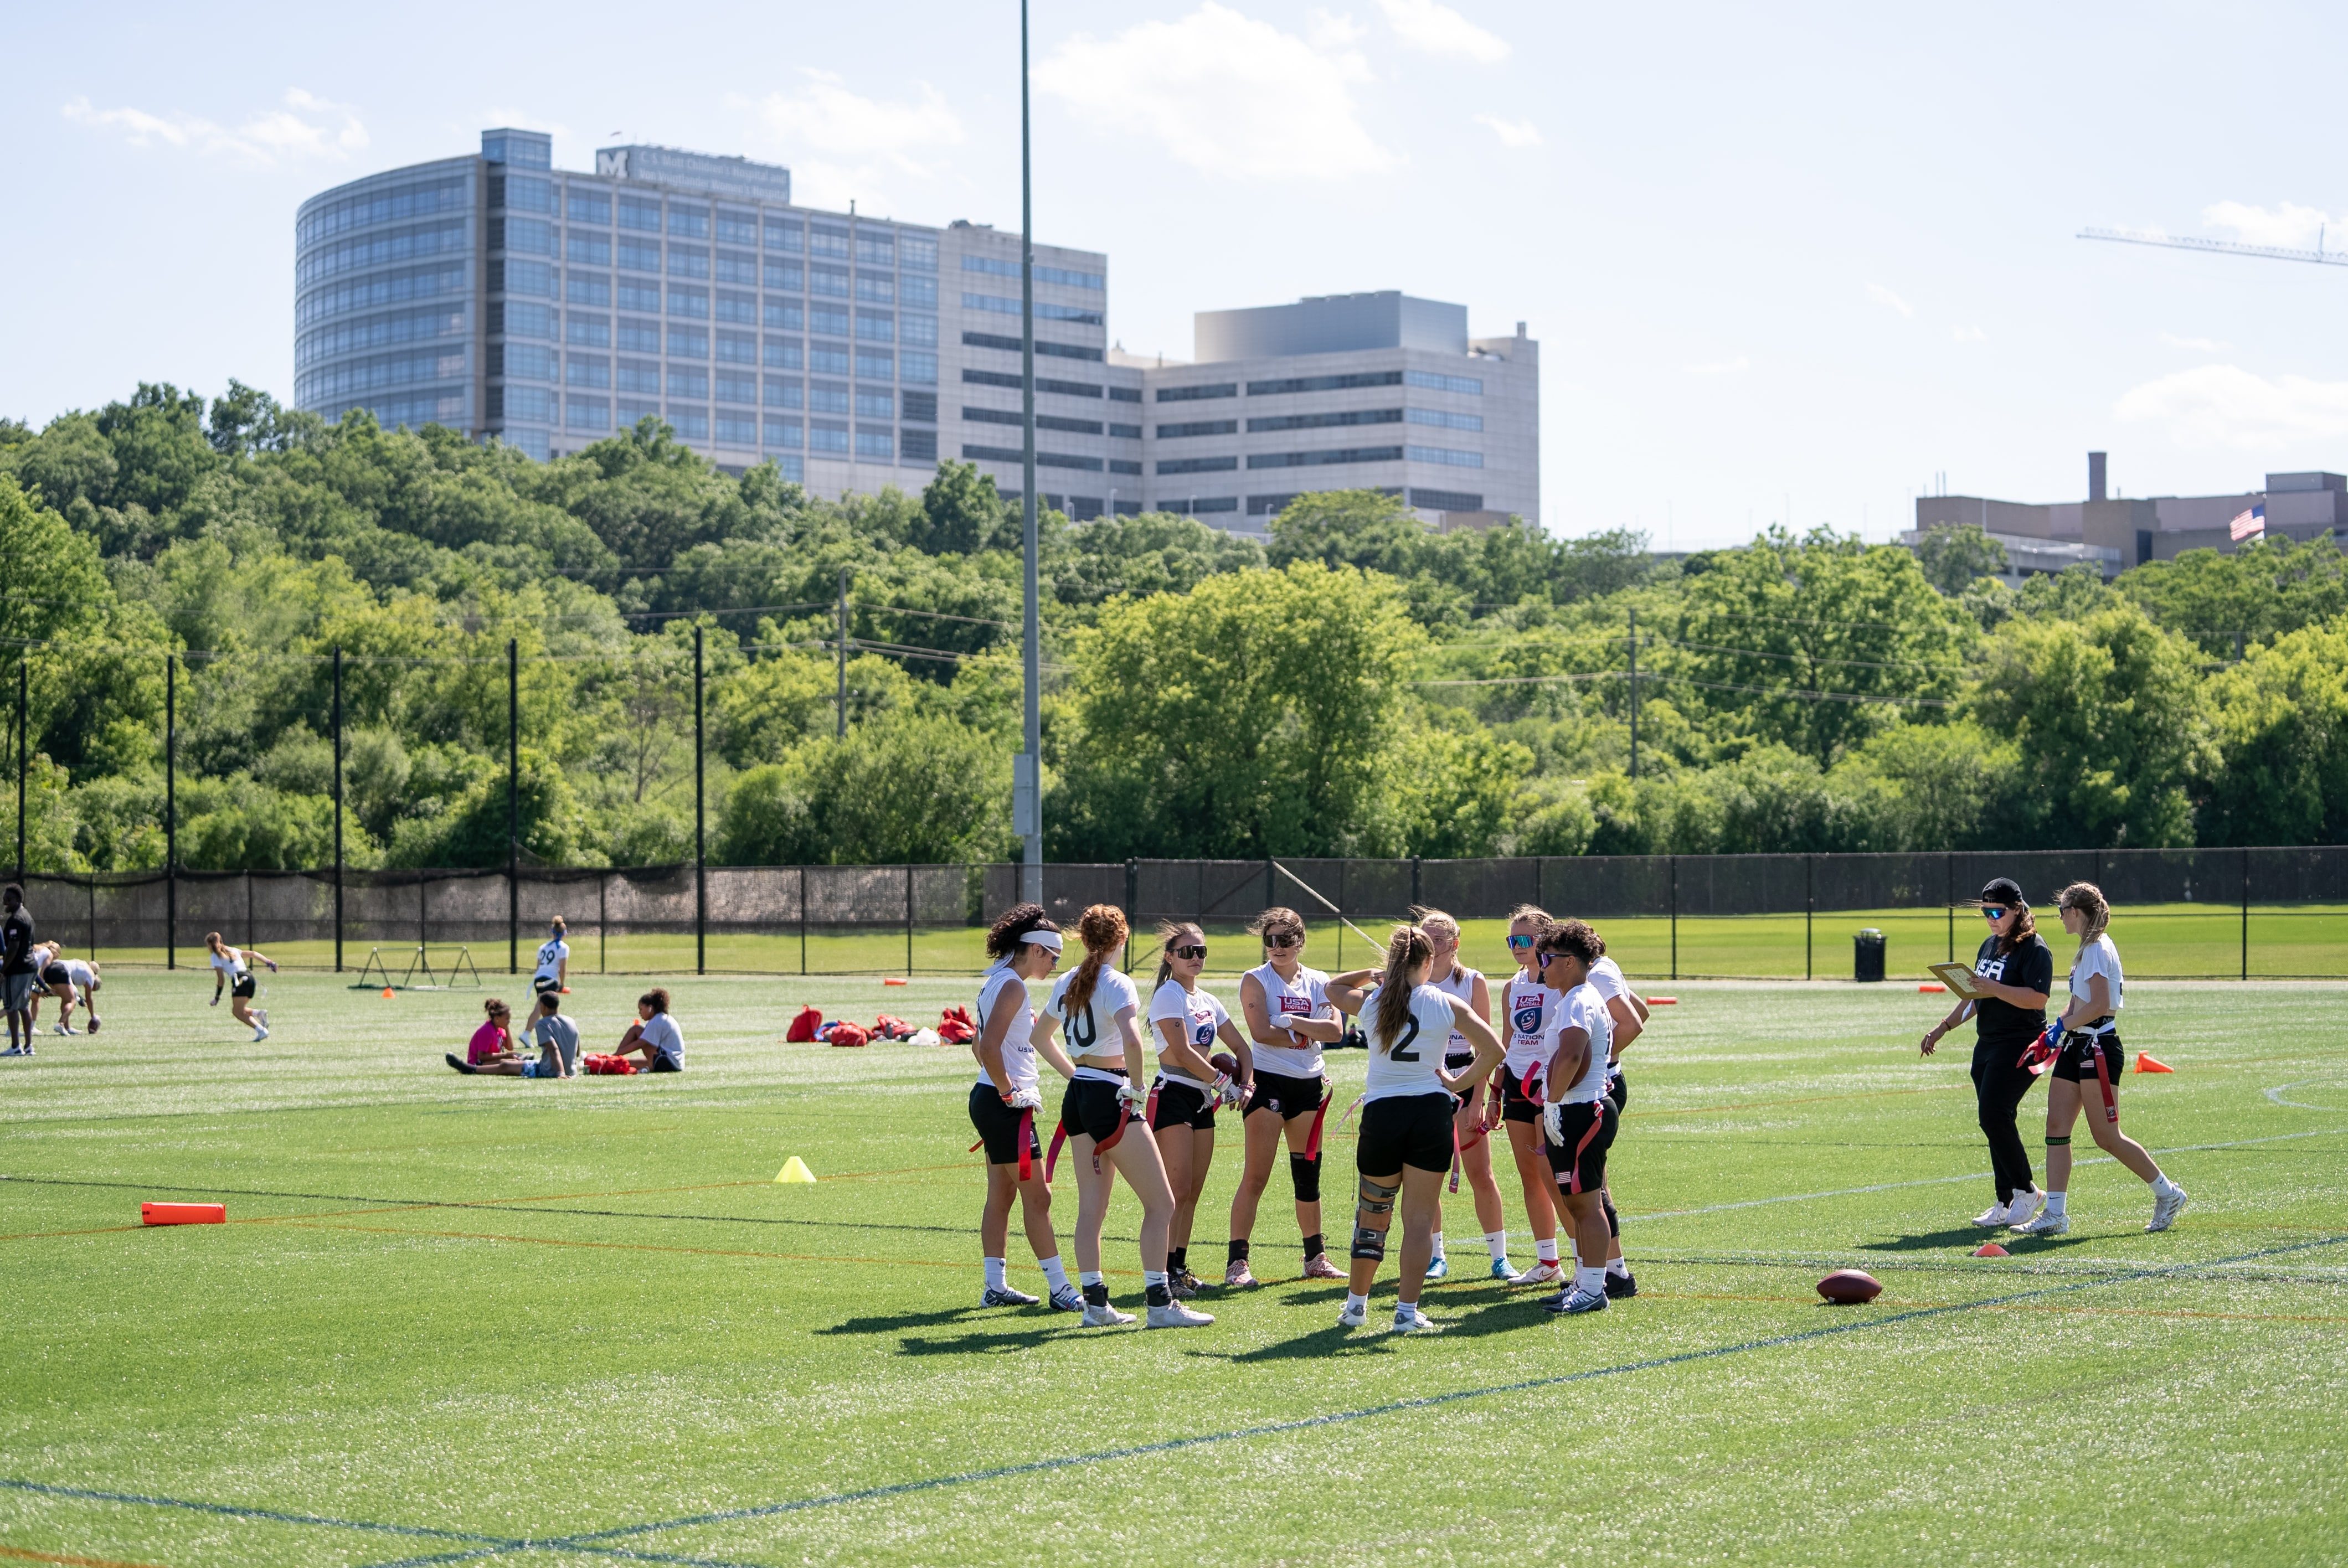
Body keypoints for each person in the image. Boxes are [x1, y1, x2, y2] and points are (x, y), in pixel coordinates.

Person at [1032, 904, 1208, 1328]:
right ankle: (1160, 1304)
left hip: (1079, 1095)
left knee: (1091, 1209)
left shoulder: (1066, 980)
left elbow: (1040, 1037)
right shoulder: (1118, 982)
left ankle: (1095, 1306)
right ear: (1122, 939)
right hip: (1110, 1092)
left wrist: (1080, 1075)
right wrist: (1135, 1088)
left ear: (1084, 939)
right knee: (1162, 1203)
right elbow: (1132, 1038)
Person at [1324, 924, 1505, 1332]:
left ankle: (1356, 1307)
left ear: (1392, 963)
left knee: (1372, 1215)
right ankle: (1406, 1314)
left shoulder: (1373, 1002)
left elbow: (1332, 989)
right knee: (1419, 1220)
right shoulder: (1442, 1001)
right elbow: (1495, 1050)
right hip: (1429, 1115)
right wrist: (1459, 1084)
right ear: (1427, 962)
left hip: (1383, 1116)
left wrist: (1373, 975)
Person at [2014, 883, 2189, 1236]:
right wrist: (2052, 1033)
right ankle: (2056, 1215)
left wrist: (2060, 1027)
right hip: (2077, 1044)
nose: (2060, 917)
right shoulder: (2087, 947)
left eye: (2062, 910)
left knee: (2107, 1136)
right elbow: (2079, 1004)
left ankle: (2168, 1193)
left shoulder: (2095, 947)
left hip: (2097, 1048)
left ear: (2076, 911)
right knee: (2056, 1127)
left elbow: (2097, 1005)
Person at [1920, 878, 2053, 1230]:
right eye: (1986, 911)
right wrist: (1943, 1027)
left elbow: (2037, 999)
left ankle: (2027, 1191)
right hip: (1988, 1043)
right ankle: (2006, 1199)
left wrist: (1991, 987)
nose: (1991, 918)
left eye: (1998, 911)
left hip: (2023, 1043)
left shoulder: (2035, 949)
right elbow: (1975, 998)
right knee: (1995, 1120)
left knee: (1994, 1115)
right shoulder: (1989, 946)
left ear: (2018, 910)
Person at [969, 903, 1082, 1312]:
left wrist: (1000, 1087)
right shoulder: (1013, 985)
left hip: (990, 1100)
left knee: (1001, 1195)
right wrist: (1008, 1092)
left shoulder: (997, 980)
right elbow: (990, 1047)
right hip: (1002, 1106)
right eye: (1052, 955)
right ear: (1034, 949)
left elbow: (978, 1046)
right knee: (1040, 1198)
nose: (1054, 963)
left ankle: (994, 1286)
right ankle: (1060, 1288)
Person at [1227, 906, 1346, 1288]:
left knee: (1308, 1177)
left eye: (1286, 940)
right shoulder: (1255, 979)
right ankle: (1237, 1263)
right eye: (1270, 940)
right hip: (1269, 1084)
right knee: (1256, 1176)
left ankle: (1315, 1258)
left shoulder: (1318, 981)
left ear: (1300, 941)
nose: (1277, 947)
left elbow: (1336, 1030)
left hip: (1308, 1084)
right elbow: (1261, 1032)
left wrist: (1294, 1024)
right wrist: (1309, 1034)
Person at [1147, 920, 1253, 1299]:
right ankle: (1160, 1275)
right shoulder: (1168, 995)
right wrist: (1225, 1084)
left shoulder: (1207, 1000)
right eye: (1187, 952)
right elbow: (1181, 1052)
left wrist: (1249, 1083)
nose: (1195, 958)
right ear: (1170, 957)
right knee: (1174, 1191)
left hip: (1202, 1099)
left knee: (1192, 1190)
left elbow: (1242, 1049)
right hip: (1174, 1093)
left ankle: (1177, 1267)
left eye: (1201, 951)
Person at [1411, 907, 1509, 1282]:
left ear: (1454, 943)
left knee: (1480, 1173)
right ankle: (1437, 1255)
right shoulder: (1411, 981)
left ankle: (1499, 1257)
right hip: (1426, 1078)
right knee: (1428, 1174)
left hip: (1465, 1074)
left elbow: (1487, 1046)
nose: (1431, 945)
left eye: (1438, 939)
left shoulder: (1471, 981)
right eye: (1425, 938)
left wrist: (1476, 1100)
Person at [1532, 920, 1619, 1316]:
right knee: (1577, 1203)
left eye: (1546, 958)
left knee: (1587, 1204)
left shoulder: (1578, 1000)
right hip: (1574, 1109)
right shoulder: (1571, 998)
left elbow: (1572, 1056)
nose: (1541, 966)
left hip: (1584, 1110)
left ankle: (1593, 1289)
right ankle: (1585, 1283)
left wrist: (1552, 1101)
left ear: (1569, 962)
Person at [1492, 905, 1567, 1286]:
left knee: (1551, 1172)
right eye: (1512, 940)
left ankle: (1587, 1259)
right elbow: (1507, 1041)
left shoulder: (1559, 981)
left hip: (1549, 1085)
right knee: (1529, 1175)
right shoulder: (1512, 986)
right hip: (1516, 1084)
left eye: (1524, 939)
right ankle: (1548, 1262)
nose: (1517, 947)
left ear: (1543, 938)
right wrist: (1493, 1092)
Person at [1585, 931, 1650, 1299]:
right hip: (1605, 1081)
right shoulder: (1603, 968)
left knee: (1591, 1186)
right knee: (1592, 1183)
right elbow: (1640, 1009)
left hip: (1600, 1085)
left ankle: (1614, 1273)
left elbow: (1634, 1022)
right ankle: (1604, 1270)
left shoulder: (1596, 975)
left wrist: (1598, 1061)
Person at [206, 931, 277, 1043]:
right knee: (239, 1009)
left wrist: (217, 997)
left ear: (210, 945)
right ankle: (258, 1014)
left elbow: (221, 980)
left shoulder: (215, 956)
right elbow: (253, 954)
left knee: (237, 1012)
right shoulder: (233, 950)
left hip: (240, 980)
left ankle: (261, 1030)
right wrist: (270, 963)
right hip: (251, 979)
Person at [32, 944, 102, 1036]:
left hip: (50, 970)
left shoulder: (81, 964)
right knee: (71, 1001)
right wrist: (93, 1017)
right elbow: (89, 999)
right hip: (61, 970)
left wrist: (41, 989)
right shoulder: (91, 975)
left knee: (66, 999)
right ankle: (61, 1024)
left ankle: (67, 1027)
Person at [611, 989, 685, 1072]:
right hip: (673, 1064)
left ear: (650, 1008)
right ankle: (617, 1060)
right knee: (626, 1063)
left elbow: (641, 1043)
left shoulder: (657, 1020)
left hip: (668, 1063)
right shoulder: (661, 1018)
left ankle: (614, 1059)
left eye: (641, 1009)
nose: (640, 1013)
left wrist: (615, 1055)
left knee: (636, 1030)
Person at [446, 998, 526, 1075]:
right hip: (477, 1063)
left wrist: (507, 1027)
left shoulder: (499, 1029)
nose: (509, 1021)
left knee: (514, 1062)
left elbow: (510, 1047)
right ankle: (469, 1069)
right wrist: (506, 1055)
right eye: (507, 1019)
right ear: (497, 1019)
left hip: (489, 1061)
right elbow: (481, 1056)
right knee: (511, 1063)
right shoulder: (487, 1030)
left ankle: (522, 1059)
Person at [0, 886, 34, 1058]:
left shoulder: (16, 920)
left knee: (11, 1007)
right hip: (29, 967)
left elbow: (13, 947)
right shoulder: (27, 915)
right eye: (4, 899)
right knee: (23, 1006)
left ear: (18, 900)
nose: (5, 902)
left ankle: (15, 1046)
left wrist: (3, 970)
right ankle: (28, 1046)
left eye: (8, 899)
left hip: (18, 968)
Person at [531, 918, 571, 997]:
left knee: (540, 1006)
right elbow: (562, 969)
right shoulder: (563, 947)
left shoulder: (543, 947)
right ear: (565, 934)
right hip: (550, 980)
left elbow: (538, 968)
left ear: (553, 933)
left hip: (538, 980)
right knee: (552, 1008)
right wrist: (562, 984)